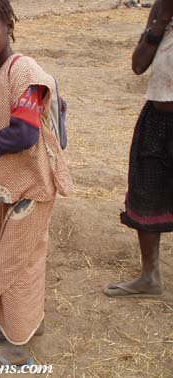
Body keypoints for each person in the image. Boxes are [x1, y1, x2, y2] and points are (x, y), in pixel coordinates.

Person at [0, 0, 73, 366]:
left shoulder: (27, 73)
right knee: (24, 260)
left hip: (33, 189)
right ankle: (26, 324)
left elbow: (24, 134)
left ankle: (15, 348)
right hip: (14, 188)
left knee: (15, 266)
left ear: (8, 24)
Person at [105, 0, 173, 298]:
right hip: (157, 120)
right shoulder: (160, 8)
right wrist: (162, 20)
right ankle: (150, 277)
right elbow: (138, 64)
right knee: (145, 194)